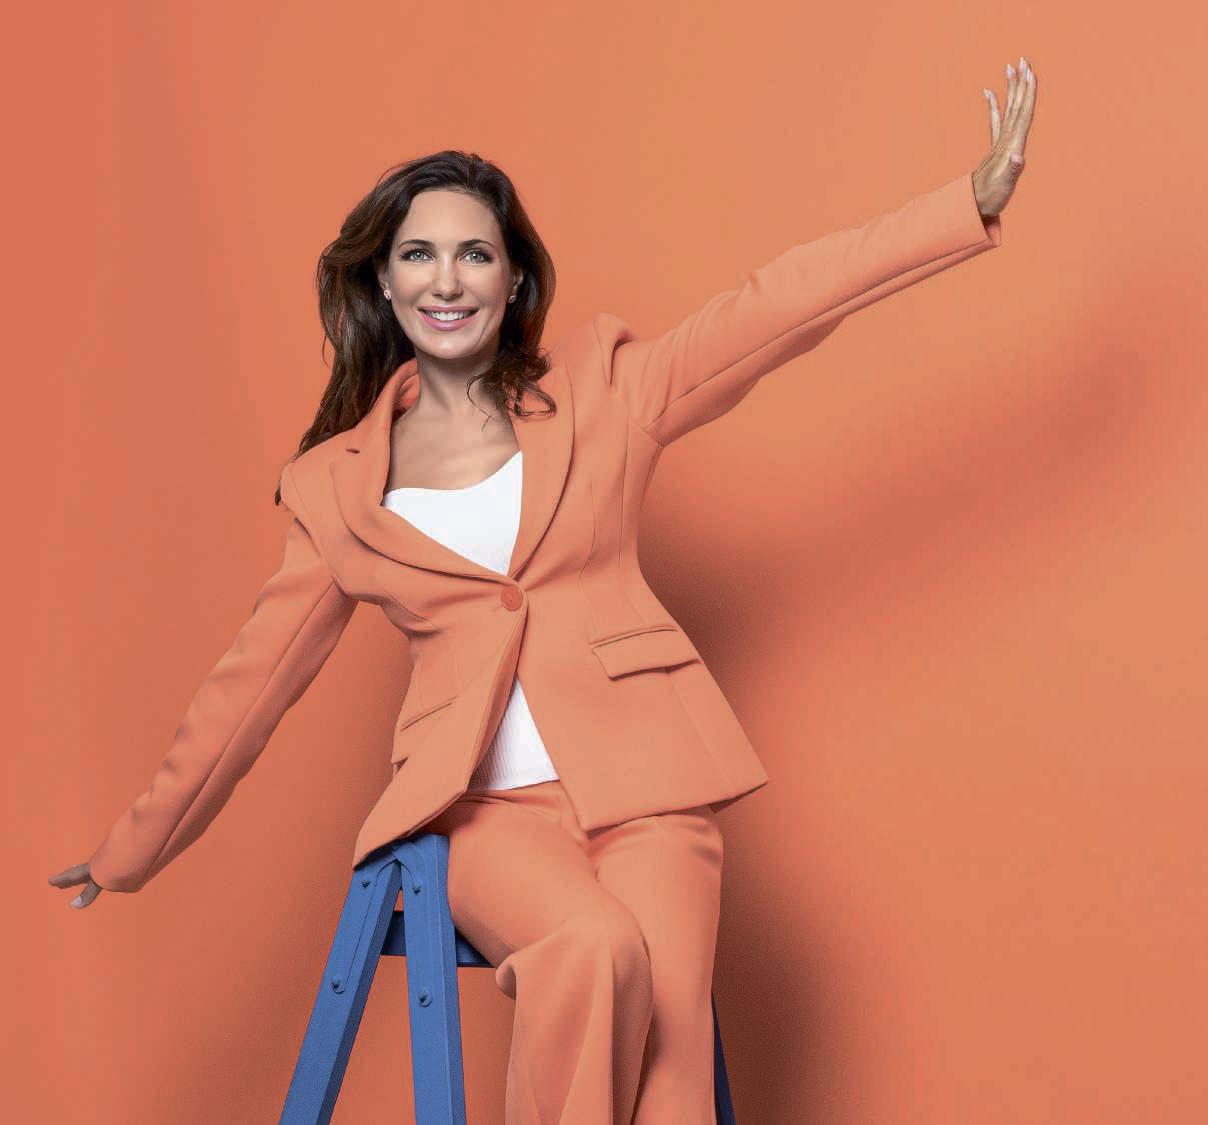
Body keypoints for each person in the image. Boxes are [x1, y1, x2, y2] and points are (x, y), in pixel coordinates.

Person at [50, 56, 1037, 1124]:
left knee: (670, 1061)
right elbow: (249, 685)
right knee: (592, 949)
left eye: (474, 254)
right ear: (383, 283)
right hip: (483, 815)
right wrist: (133, 847)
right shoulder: (336, 485)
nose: (446, 281)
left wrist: (961, 206)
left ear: (513, 280)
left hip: (651, 790)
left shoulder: (603, 391)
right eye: (419, 254)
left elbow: (772, 310)